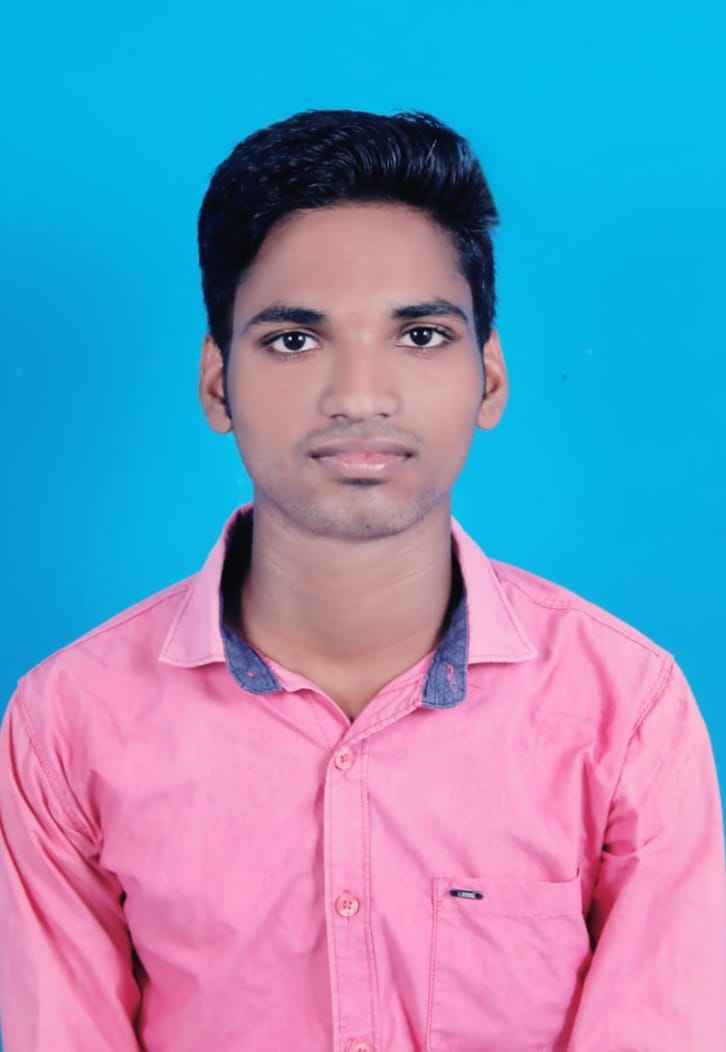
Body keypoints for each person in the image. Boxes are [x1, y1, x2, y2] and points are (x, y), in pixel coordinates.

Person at [1, 108, 724, 1052]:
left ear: (489, 377)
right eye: (294, 341)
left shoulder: (625, 710)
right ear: (218, 384)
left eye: (419, 335)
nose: (359, 397)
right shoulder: (68, 725)